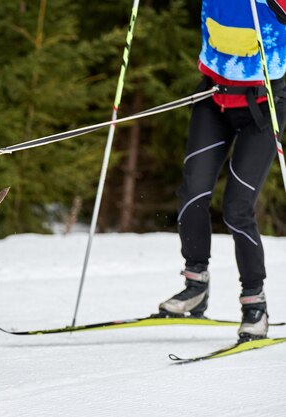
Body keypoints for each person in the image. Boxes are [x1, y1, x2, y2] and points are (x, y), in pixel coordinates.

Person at [158, 0, 286, 342]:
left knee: (237, 209)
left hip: (262, 103)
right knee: (193, 193)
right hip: (213, 98)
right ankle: (195, 286)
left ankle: (254, 304)